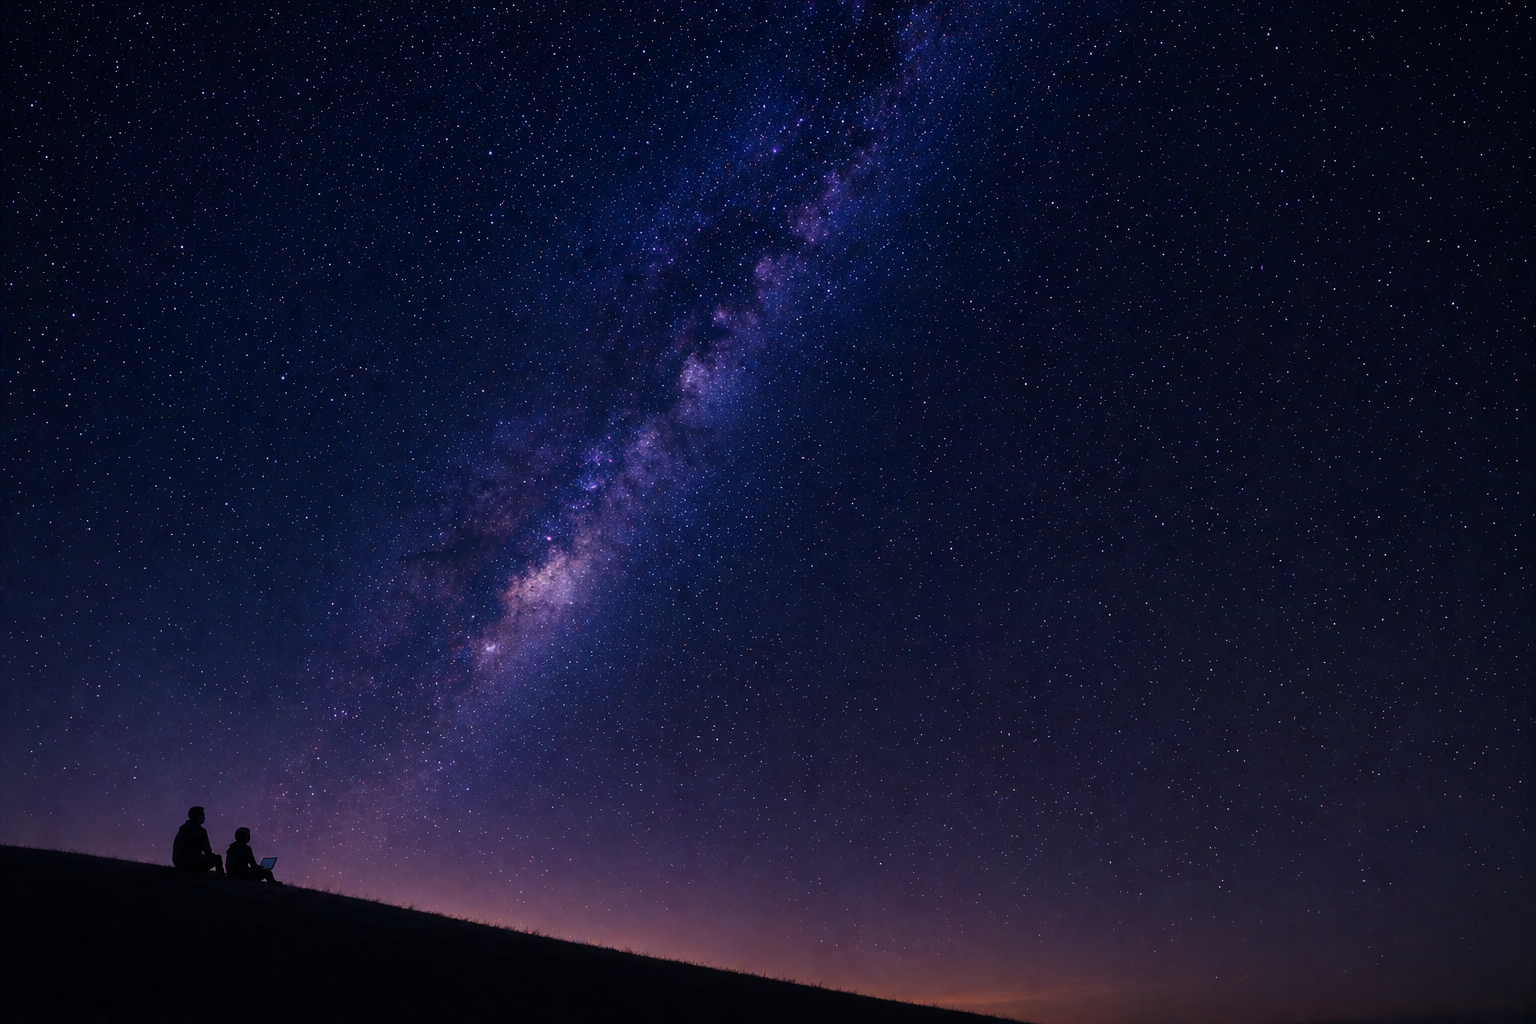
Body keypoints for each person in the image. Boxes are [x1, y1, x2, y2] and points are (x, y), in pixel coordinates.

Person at [172, 806, 223, 874]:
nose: (204, 818)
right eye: (203, 815)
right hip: (190, 864)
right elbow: (208, 852)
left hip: (178, 863)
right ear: (199, 816)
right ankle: (222, 879)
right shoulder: (201, 831)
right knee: (218, 859)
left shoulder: (182, 830)